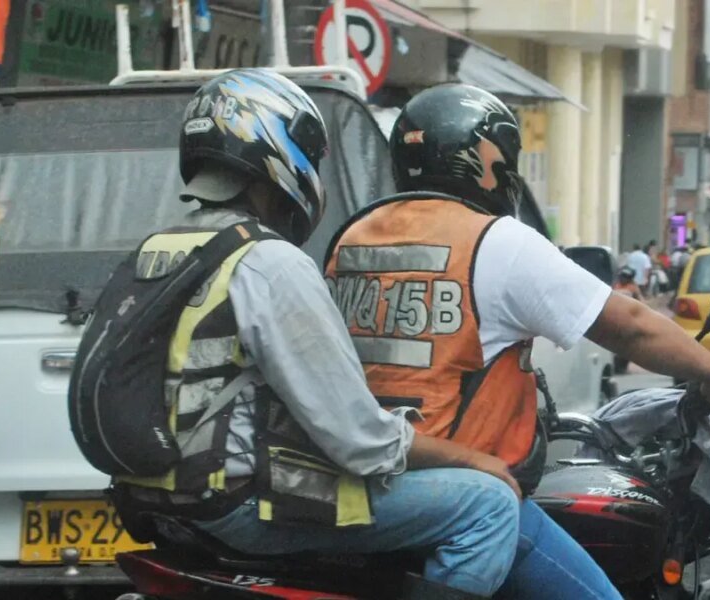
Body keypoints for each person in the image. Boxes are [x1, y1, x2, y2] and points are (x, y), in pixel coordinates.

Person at [324, 84, 710, 600]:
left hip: (360, 484)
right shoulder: (495, 240)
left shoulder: (353, 238)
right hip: (462, 488)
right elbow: (628, 325)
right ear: (489, 158)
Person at [111, 70, 525, 600]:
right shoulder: (267, 261)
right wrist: (475, 459)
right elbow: (359, 441)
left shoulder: (158, 248)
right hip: (241, 504)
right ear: (278, 154)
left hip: (154, 501)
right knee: (487, 503)